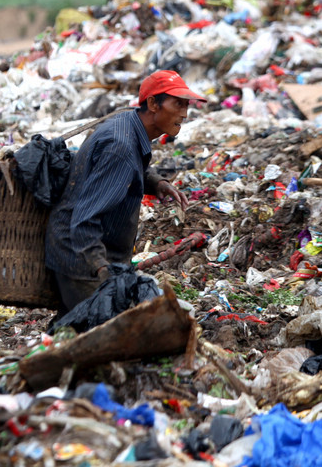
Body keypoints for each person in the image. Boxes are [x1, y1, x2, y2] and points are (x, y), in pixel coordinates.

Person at [44, 70, 206, 310]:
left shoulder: (129, 125)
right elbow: (84, 219)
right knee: (103, 335)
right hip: (82, 259)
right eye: (178, 104)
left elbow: (123, 169)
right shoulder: (120, 147)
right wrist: (103, 271)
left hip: (93, 255)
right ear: (152, 103)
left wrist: (156, 183)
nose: (184, 113)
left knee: (84, 330)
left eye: (187, 105)